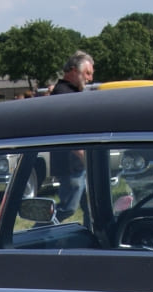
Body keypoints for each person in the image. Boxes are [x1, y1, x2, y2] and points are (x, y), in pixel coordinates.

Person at [49, 51, 93, 221]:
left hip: (78, 163)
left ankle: (96, 240)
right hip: (71, 164)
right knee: (68, 207)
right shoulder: (63, 94)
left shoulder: (71, 93)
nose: (90, 78)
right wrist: (83, 155)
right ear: (73, 71)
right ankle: (37, 235)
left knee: (92, 208)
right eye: (87, 73)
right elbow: (65, 130)